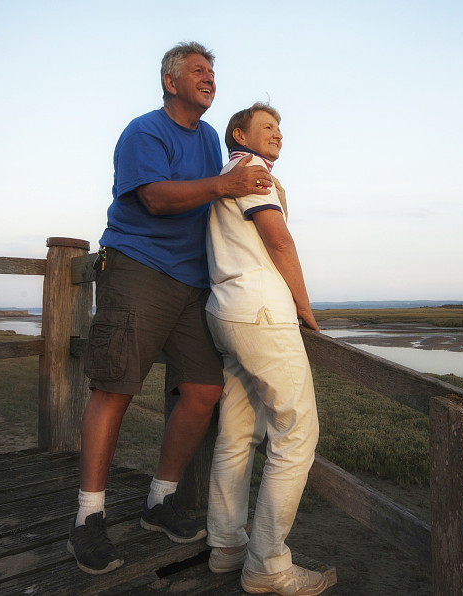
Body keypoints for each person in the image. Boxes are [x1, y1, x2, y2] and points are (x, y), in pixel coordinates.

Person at [67, 42, 273, 575]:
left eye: (212, 72)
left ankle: (160, 499)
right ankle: (89, 516)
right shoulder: (145, 132)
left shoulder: (209, 138)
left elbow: (225, 200)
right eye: (198, 71)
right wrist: (225, 184)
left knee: (204, 392)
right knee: (115, 388)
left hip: (194, 282)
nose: (210, 79)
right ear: (170, 81)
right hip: (138, 267)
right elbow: (156, 198)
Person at [204, 103, 326, 595]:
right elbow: (278, 242)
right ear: (240, 133)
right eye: (267, 127)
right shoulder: (252, 172)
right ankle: (268, 565)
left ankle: (227, 546)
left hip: (226, 311)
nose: (277, 135)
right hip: (261, 312)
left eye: (280, 129)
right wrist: (304, 307)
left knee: (237, 432)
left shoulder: (226, 175)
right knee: (296, 433)